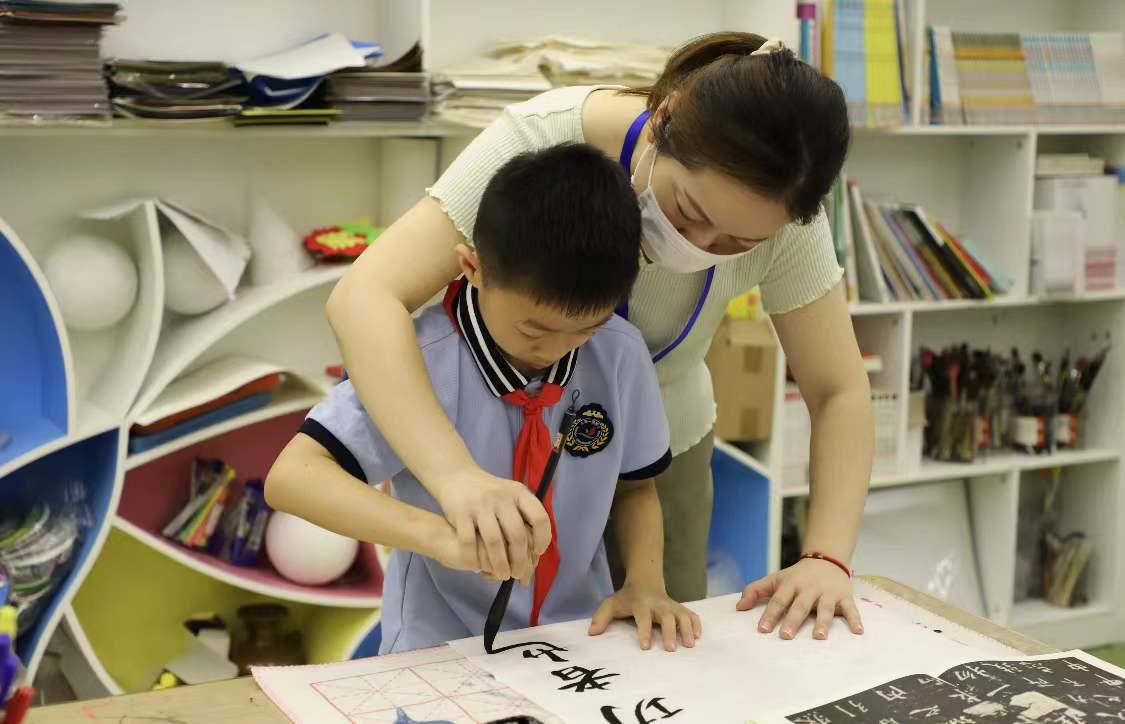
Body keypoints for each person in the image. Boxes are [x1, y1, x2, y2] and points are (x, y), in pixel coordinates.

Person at [325, 32, 873, 641]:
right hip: (491, 438)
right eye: (690, 212)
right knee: (483, 640)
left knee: (652, 650)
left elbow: (838, 390)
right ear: (664, 121)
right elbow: (364, 297)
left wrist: (826, 557)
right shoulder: (545, 142)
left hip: (660, 452)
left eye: (740, 243)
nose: (704, 246)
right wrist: (454, 475)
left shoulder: (785, 213)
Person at [266, 144, 702, 653]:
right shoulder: (416, 361)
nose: (558, 349)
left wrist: (645, 584)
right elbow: (292, 479)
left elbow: (635, 489)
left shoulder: (619, 353)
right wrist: (437, 538)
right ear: (472, 269)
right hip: (439, 646)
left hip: (576, 640)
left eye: (586, 327)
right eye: (534, 329)